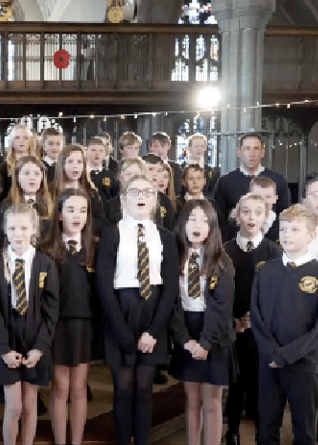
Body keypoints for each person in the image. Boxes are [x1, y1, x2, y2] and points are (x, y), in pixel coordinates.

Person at [96, 175, 179, 445]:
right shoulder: (112, 233)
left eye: (147, 192)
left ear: (155, 200)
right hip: (120, 310)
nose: (141, 196)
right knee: (122, 387)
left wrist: (153, 331)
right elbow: (104, 285)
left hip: (153, 312)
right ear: (123, 199)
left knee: (144, 389)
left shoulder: (165, 236)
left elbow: (170, 289)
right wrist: (121, 332)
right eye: (134, 192)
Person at [0, 203, 59, 445]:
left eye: (24, 228)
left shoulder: (45, 264)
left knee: (29, 405)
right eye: (13, 228)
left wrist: (40, 347)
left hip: (35, 341)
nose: (18, 233)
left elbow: (51, 310)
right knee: (14, 407)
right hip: (6, 342)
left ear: (33, 230)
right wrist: (3, 348)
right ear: (5, 230)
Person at [169, 199, 235, 445]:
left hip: (214, 335)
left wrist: (205, 343)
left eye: (204, 220)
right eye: (193, 219)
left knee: (212, 401)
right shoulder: (175, 259)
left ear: (212, 227)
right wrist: (185, 340)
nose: (198, 225)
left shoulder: (222, 261)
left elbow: (221, 307)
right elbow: (171, 304)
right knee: (192, 400)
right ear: (183, 224)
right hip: (187, 331)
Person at [251, 204, 318, 445]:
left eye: (295, 229)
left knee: (305, 427)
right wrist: (271, 353)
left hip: (305, 363)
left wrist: (288, 354)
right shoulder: (266, 271)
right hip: (269, 362)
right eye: (284, 229)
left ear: (312, 235)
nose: (287, 234)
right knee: (267, 425)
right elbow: (256, 316)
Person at [223, 193, 283, 445]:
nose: (251, 217)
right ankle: (232, 432)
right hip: (233, 329)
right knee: (235, 383)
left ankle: (263, 433)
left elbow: (280, 294)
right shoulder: (225, 250)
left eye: (258, 212)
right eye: (246, 212)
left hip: (262, 331)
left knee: (260, 385)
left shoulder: (274, 252)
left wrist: (257, 320)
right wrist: (233, 321)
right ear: (237, 215)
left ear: (266, 217)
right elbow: (217, 294)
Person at [43, 189, 98, 445]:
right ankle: (60, 440)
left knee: (78, 389)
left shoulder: (95, 248)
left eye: (83, 210)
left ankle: (76, 440)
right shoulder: (46, 249)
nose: (77, 216)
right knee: (60, 388)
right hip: (56, 325)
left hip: (84, 325)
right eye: (71, 210)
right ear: (60, 214)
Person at [214, 132, 290, 241]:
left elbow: (284, 215)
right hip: (236, 244)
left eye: (256, 149)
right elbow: (220, 219)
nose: (252, 153)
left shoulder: (278, 180)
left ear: (262, 152)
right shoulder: (225, 182)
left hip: (272, 244)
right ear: (239, 152)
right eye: (247, 149)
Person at [0, 125, 36, 200]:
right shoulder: (5, 166)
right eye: (17, 138)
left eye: (25, 138)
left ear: (30, 141)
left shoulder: (37, 164)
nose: (21, 141)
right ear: (12, 142)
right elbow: (3, 192)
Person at [183, 133, 219, 197]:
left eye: (202, 146)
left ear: (205, 148)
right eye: (196, 146)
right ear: (189, 148)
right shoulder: (181, 169)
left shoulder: (212, 172)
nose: (199, 149)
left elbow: (213, 193)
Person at [148, 132, 181, 197]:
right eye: (156, 146)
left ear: (169, 146)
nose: (159, 149)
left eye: (163, 146)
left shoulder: (176, 167)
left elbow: (177, 190)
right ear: (150, 147)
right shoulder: (145, 165)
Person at [249, 176, 280, 243]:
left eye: (268, 197)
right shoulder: (239, 224)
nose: (263, 201)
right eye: (258, 196)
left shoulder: (285, 225)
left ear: (275, 199)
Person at [86, 137, 117, 201]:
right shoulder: (82, 174)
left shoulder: (110, 175)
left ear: (105, 154)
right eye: (93, 150)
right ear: (86, 152)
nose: (97, 153)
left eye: (101, 151)